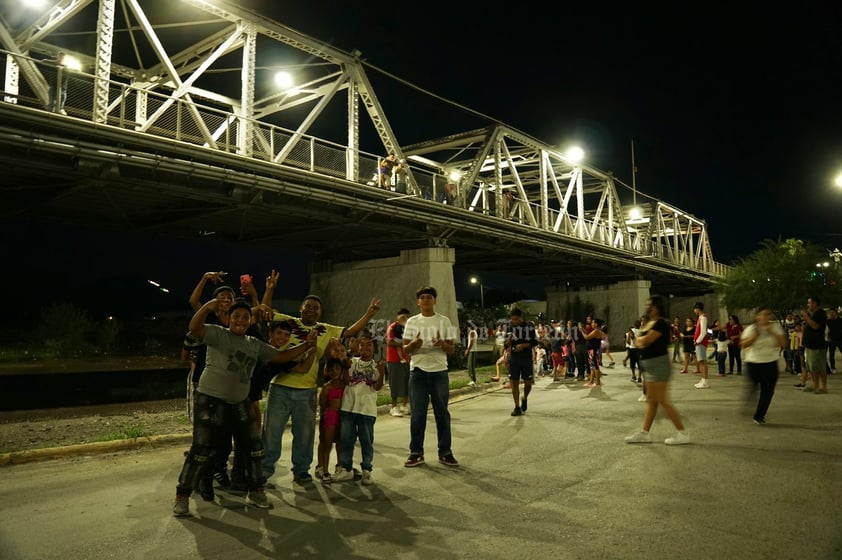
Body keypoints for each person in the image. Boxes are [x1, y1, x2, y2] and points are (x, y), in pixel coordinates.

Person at [172, 298, 317, 517]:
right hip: (210, 399)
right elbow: (194, 328)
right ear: (229, 319)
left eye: (245, 316)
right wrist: (206, 307)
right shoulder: (217, 333)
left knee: (255, 448)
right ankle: (182, 496)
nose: (240, 320)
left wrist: (307, 345)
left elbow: (280, 356)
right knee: (201, 448)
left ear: (250, 321)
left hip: (239, 402)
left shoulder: (254, 344)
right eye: (236, 316)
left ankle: (256, 490)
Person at [260, 269, 381, 485]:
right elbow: (265, 312)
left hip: (306, 391)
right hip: (279, 387)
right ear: (301, 309)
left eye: (316, 308)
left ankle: (301, 470)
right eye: (308, 307)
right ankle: (265, 470)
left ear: (320, 312)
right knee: (271, 433)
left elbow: (350, 331)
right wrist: (269, 289)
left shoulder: (326, 329)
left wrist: (369, 314)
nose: (312, 310)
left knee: (304, 435)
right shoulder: (288, 322)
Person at [402, 286, 459, 467]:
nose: (426, 300)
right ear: (418, 302)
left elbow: (451, 350)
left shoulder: (444, 321)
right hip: (418, 372)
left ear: (435, 301)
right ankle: (416, 452)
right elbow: (405, 349)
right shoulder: (412, 322)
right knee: (417, 415)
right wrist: (414, 343)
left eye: (429, 297)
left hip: (439, 373)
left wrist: (441, 342)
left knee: (442, 414)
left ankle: (445, 451)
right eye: (423, 297)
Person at [625, 295, 689, 445]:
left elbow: (645, 341)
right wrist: (639, 341)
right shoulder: (650, 323)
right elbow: (640, 342)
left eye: (650, 305)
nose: (647, 307)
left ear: (657, 307)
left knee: (662, 400)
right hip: (650, 366)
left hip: (659, 365)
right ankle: (644, 433)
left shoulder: (661, 323)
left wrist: (639, 340)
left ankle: (683, 433)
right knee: (652, 401)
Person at [333, 333, 385, 484]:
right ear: (358, 347)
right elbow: (345, 379)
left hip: (367, 410)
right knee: (347, 440)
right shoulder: (352, 362)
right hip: (348, 408)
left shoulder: (377, 366)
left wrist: (381, 372)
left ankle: (367, 470)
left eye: (369, 345)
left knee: (366, 441)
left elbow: (377, 387)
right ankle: (347, 469)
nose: (365, 348)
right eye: (362, 345)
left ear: (374, 348)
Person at [740, 307, 787, 424]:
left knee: (768, 391)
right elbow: (743, 344)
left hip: (771, 363)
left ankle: (759, 415)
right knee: (753, 386)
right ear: (757, 316)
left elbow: (783, 343)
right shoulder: (751, 328)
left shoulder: (775, 327)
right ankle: (751, 398)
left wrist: (772, 332)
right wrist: (756, 335)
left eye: (768, 314)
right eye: (763, 314)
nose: (766, 317)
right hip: (753, 363)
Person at [316, 357, 348, 483]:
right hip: (330, 416)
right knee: (327, 443)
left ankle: (340, 466)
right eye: (331, 369)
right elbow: (322, 404)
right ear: (327, 371)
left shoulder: (345, 384)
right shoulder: (326, 387)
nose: (334, 371)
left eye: (337, 369)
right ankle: (324, 470)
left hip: (342, 416)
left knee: (340, 443)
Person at [504, 308, 539, 416]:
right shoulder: (509, 328)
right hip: (514, 358)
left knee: (528, 384)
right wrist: (508, 342)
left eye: (517, 319)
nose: (515, 321)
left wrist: (523, 345)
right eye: (513, 319)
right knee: (514, 382)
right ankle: (517, 406)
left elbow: (535, 342)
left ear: (521, 318)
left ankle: (524, 398)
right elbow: (506, 345)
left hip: (526, 358)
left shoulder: (529, 327)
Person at [385, 308, 411, 417]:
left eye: (407, 317)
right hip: (393, 359)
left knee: (407, 383)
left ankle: (405, 405)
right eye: (404, 316)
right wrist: (403, 345)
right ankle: (394, 406)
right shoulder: (392, 327)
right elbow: (390, 342)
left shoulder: (409, 327)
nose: (406, 319)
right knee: (394, 383)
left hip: (407, 359)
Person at [800, 296, 828, 394]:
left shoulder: (821, 313)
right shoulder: (813, 314)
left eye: (809, 303)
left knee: (819, 367)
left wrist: (807, 317)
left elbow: (816, 326)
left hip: (817, 345)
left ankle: (823, 387)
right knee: (811, 367)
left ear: (815, 303)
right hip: (810, 345)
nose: (808, 305)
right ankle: (815, 385)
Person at [692, 302, 710, 388]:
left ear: (698, 308)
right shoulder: (700, 317)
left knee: (702, 362)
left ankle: (705, 381)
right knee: (701, 361)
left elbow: (703, 332)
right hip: (699, 342)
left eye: (695, 308)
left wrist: (698, 341)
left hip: (700, 342)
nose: (694, 310)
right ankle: (703, 380)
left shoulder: (703, 318)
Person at [825, 308, 842, 373]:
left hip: (840, 339)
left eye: (833, 312)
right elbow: (827, 330)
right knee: (831, 354)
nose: (831, 314)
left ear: (835, 313)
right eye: (830, 312)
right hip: (832, 340)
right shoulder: (828, 321)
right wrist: (828, 337)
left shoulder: (840, 320)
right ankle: (833, 367)